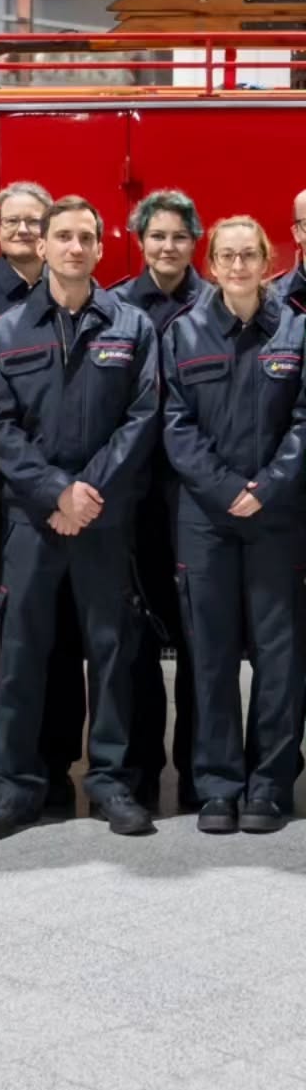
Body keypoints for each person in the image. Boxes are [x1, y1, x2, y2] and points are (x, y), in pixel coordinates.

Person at [0, 196, 159, 841]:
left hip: (104, 519)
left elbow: (143, 417)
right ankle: (17, 787)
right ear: (42, 247)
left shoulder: (133, 328)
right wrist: (56, 492)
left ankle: (110, 783)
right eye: (63, 237)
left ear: (103, 249)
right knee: (20, 652)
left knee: (112, 652)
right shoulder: (6, 329)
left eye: (87, 237)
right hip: (31, 518)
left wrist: (89, 491)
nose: (75, 248)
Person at [163, 216, 306, 834]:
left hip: (279, 517)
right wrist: (226, 490)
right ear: (212, 264)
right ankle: (217, 785)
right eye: (228, 256)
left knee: (280, 657)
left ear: (267, 261)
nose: (240, 265)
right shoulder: (183, 333)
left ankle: (270, 786)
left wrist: (268, 487)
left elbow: (305, 422)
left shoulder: (298, 331)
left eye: (250, 255)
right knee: (211, 655)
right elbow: (174, 423)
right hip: (206, 517)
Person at [0, 182, 85, 809]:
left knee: (63, 639)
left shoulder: (83, 300)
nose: (26, 231)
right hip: (1, 502)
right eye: (15, 221)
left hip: (78, 504)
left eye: (38, 221)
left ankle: (58, 762)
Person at [115, 188, 206, 810]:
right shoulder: (118, 308)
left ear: (193, 242)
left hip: (199, 499)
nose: (167, 246)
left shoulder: (218, 302)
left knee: (205, 639)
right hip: (137, 499)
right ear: (140, 241)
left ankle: (202, 775)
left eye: (177, 236)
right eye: (157, 237)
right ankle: (141, 773)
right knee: (137, 640)